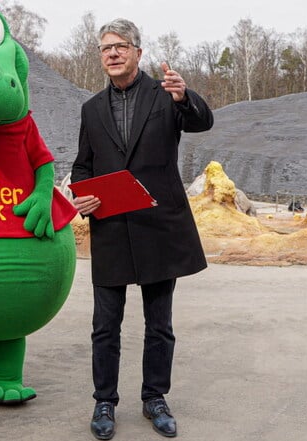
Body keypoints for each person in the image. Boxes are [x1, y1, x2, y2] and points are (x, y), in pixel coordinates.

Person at [71, 18, 214, 440]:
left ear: (137, 51)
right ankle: (104, 402)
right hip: (112, 227)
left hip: (158, 227)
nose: (112, 54)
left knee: (160, 324)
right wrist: (81, 197)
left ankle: (155, 398)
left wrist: (186, 96)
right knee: (104, 325)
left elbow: (202, 122)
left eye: (120, 46)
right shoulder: (91, 108)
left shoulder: (166, 95)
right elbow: (83, 164)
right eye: (104, 49)